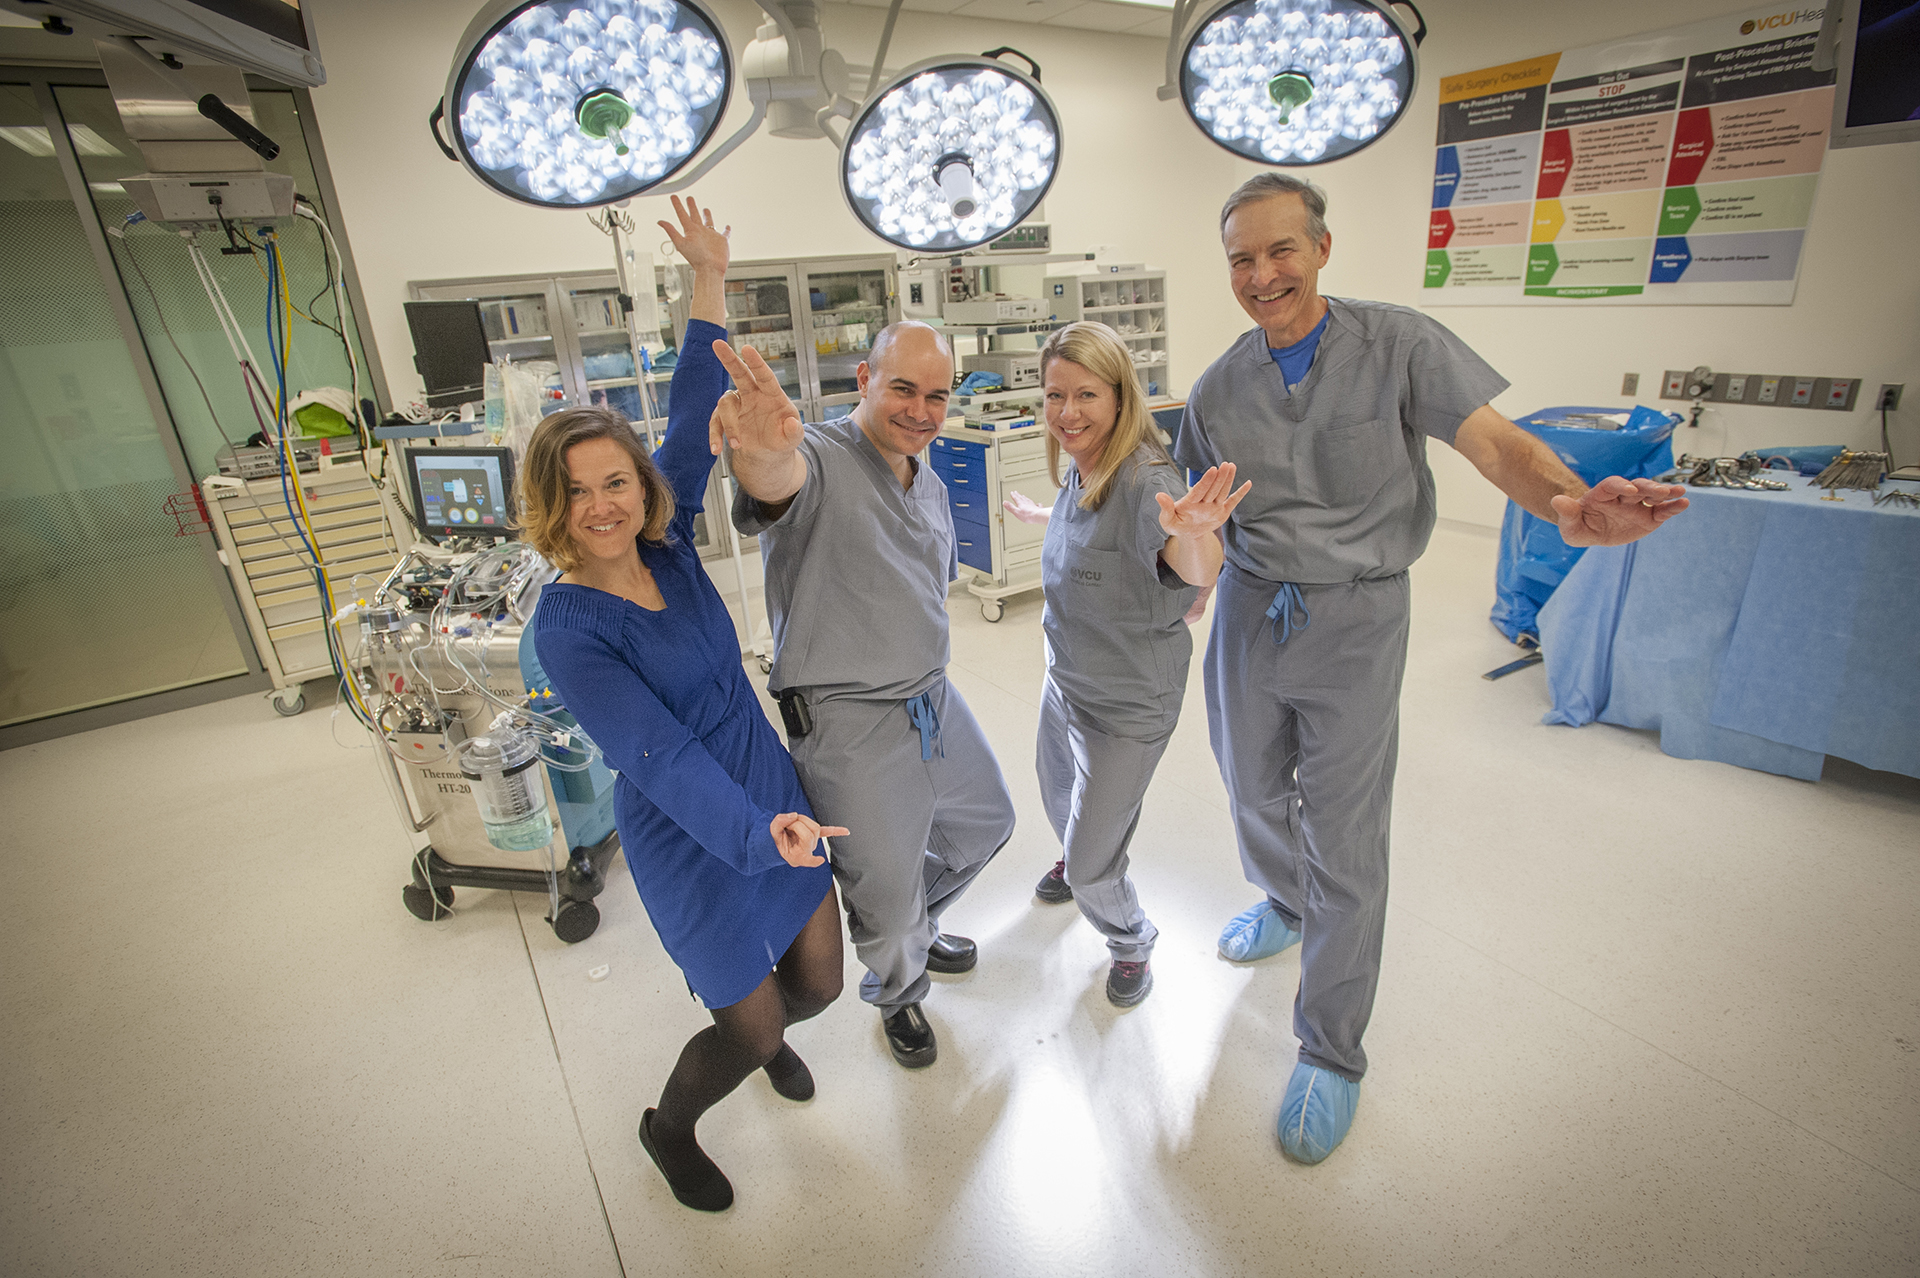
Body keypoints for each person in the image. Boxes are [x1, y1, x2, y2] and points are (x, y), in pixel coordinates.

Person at [1177, 173, 1689, 1165]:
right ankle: (1283, 902)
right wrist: (1183, 555)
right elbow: (1192, 513)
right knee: (1249, 789)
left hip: (1359, 617)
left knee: (1345, 830)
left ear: (1322, 248)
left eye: (1281, 250)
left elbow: (1497, 445)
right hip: (1250, 610)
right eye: (1242, 258)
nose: (1263, 273)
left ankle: (1330, 1047)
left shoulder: (1398, 344)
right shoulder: (1217, 387)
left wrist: (1566, 505)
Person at [526, 197, 845, 1214]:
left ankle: (769, 1043)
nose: (604, 505)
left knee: (823, 985)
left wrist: (708, 277)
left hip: (762, 776)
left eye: (614, 481)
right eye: (577, 493)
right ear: (551, 506)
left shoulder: (662, 533)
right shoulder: (569, 627)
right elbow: (657, 754)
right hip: (687, 823)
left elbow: (695, 397)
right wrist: (762, 831)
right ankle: (671, 1130)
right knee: (746, 1028)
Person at [709, 321, 1016, 1069]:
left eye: (937, 396)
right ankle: (899, 990)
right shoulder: (816, 454)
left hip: (931, 700)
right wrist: (766, 456)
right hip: (847, 721)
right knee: (881, 885)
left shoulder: (928, 479)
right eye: (902, 388)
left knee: (984, 824)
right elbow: (779, 482)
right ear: (864, 379)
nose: (920, 410)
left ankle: (909, 927)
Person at [1002, 321, 1249, 1007]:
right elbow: (1088, 545)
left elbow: (1192, 566)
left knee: (1091, 860)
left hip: (1127, 704)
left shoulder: (1147, 480)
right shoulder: (1082, 468)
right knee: (1056, 789)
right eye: (1055, 395)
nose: (1068, 413)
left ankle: (1129, 938)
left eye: (1086, 394)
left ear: (1119, 396)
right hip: (1068, 680)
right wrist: (1035, 516)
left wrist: (1198, 538)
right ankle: (1082, 860)